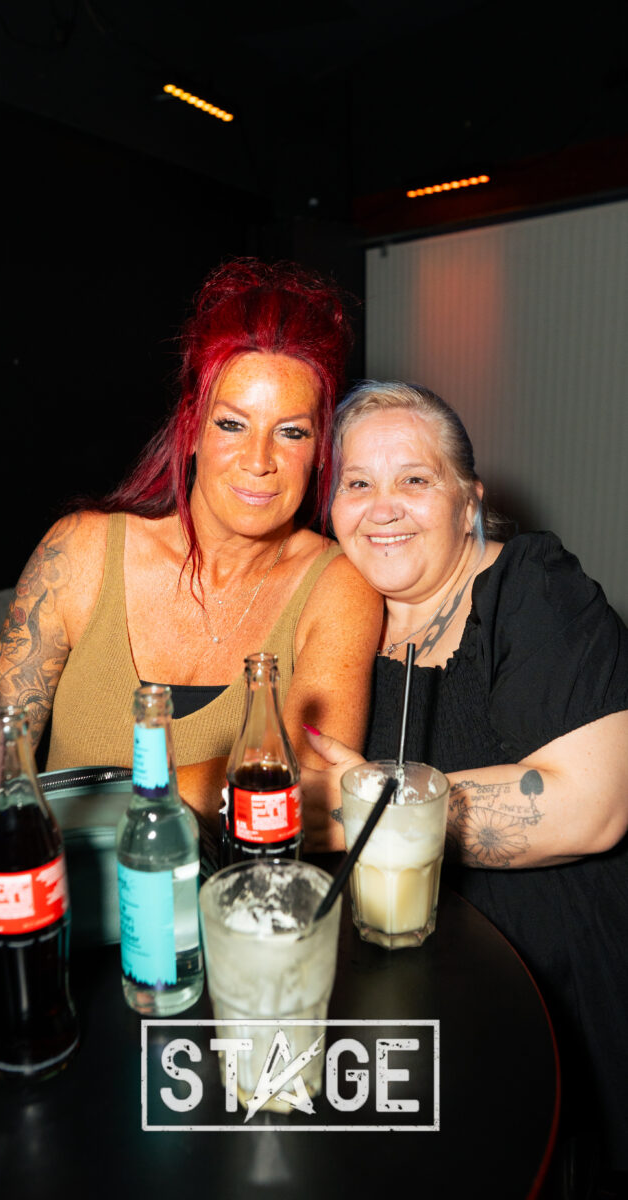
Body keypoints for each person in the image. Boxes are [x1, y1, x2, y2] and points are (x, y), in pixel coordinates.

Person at [303, 380, 628, 1183]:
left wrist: (359, 810)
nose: (382, 507)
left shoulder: (532, 591)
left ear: (468, 500)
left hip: (546, 1002)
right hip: (395, 992)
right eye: (356, 482)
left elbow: (590, 806)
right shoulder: (339, 618)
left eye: (414, 478)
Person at [0, 259, 382, 859]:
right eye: (232, 424)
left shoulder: (338, 586)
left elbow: (311, 793)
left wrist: (88, 799)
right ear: (191, 426)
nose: (259, 461)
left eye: (291, 432)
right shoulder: (80, 551)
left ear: (322, 450)